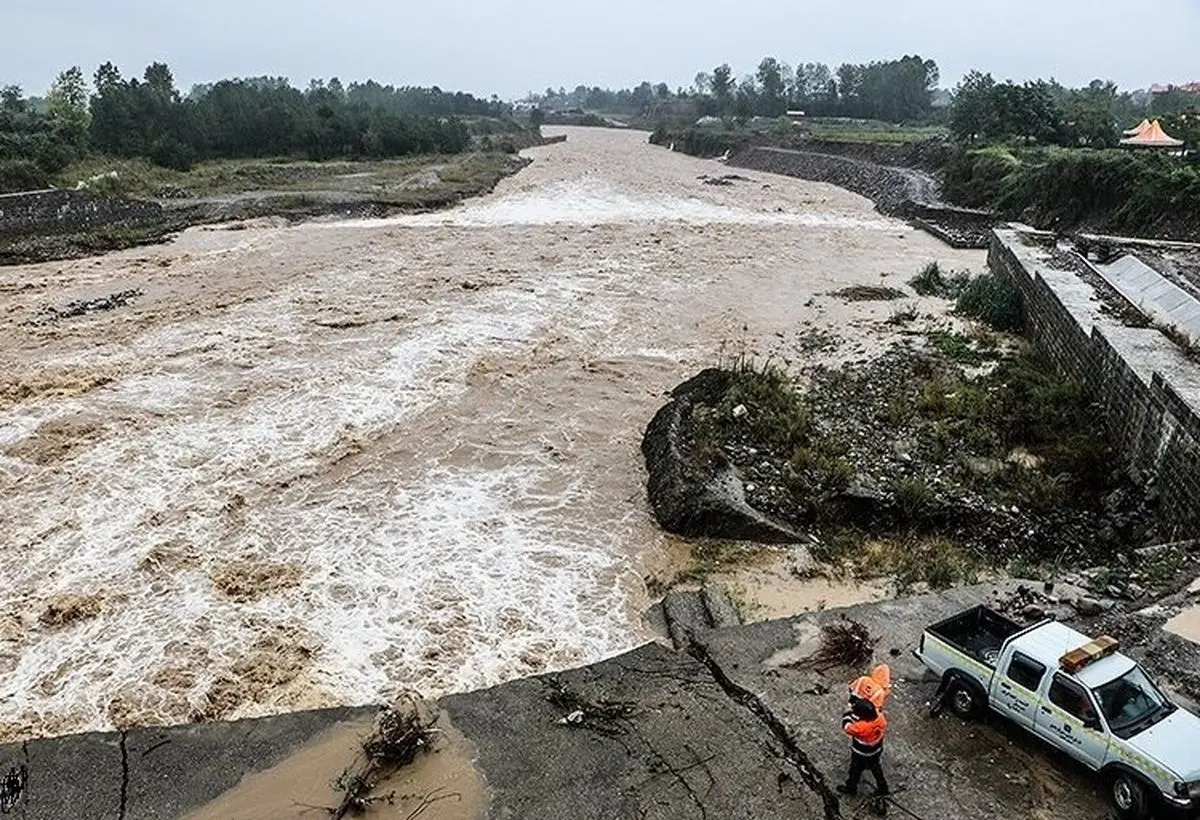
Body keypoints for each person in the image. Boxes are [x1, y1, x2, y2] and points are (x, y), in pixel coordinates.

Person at [838, 697, 889, 797]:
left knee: (855, 769)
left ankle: (851, 788)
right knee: (875, 767)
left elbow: (846, 726)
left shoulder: (861, 728)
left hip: (861, 752)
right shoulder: (880, 717)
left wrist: (847, 713)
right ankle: (883, 787)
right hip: (876, 748)